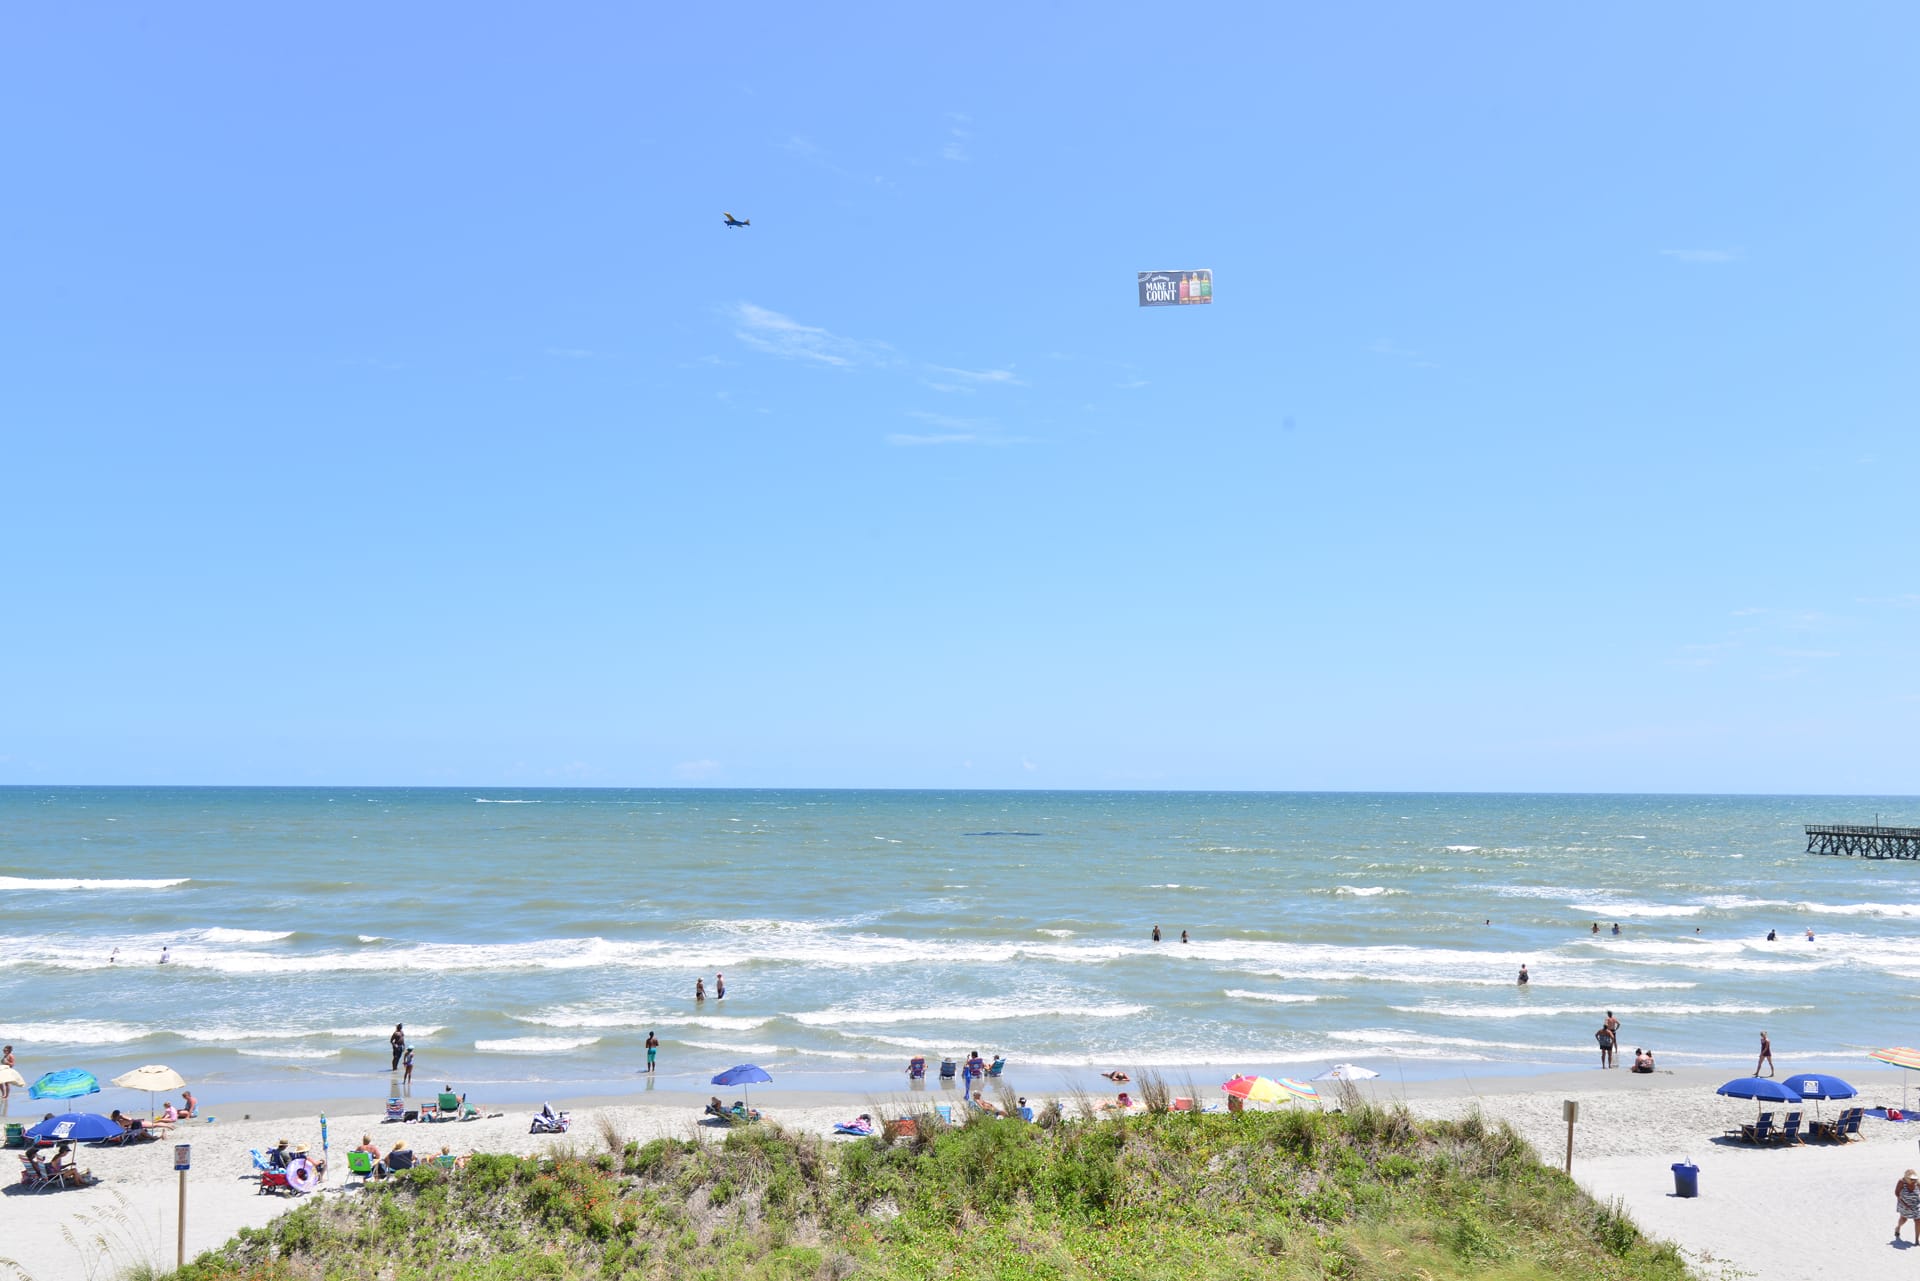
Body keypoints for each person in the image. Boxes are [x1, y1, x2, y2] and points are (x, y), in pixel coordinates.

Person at [1897, 1170, 1920, 1245]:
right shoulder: (1901, 1182)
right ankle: (1898, 1227)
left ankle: (1917, 1240)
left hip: (1916, 1205)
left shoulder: (1917, 1183)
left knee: (1918, 1221)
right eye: (1911, 1179)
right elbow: (1897, 1194)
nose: (1913, 1180)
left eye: (1914, 1179)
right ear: (1907, 1178)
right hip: (1904, 1204)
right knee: (1904, 1219)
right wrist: (1904, 1204)